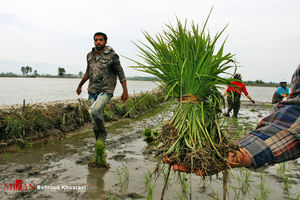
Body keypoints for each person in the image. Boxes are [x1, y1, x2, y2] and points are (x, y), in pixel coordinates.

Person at [169, 65, 300, 176]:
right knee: (234, 114)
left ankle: (228, 114)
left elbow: (227, 92)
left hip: (231, 101)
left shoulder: (232, 84)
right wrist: (251, 100)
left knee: (230, 112)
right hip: (235, 101)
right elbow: (245, 93)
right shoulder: (240, 85)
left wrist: (223, 97)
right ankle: (230, 116)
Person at [76, 32, 128, 143]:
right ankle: (99, 145)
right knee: (94, 123)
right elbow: (87, 73)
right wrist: (80, 85)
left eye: (100, 40)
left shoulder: (112, 56)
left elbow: (121, 74)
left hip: (106, 90)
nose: (98, 42)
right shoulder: (90, 56)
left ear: (105, 41)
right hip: (92, 90)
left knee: (94, 111)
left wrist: (125, 91)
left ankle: (103, 132)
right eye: (96, 40)